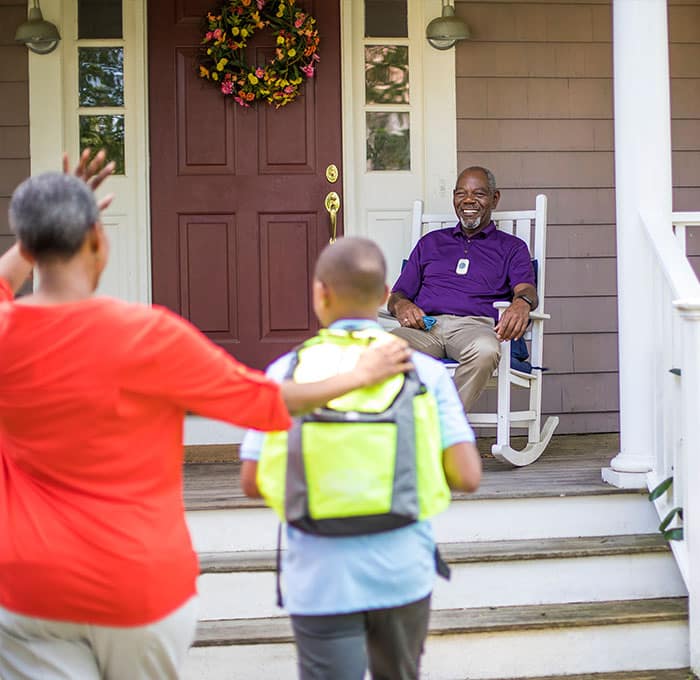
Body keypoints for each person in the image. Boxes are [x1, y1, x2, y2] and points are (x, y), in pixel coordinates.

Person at [0, 155, 413, 680]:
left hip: (28, 586)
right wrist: (359, 374)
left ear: (31, 249)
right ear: (99, 244)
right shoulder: (149, 336)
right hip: (138, 585)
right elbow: (265, 402)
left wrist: (43, 227)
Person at [240, 237, 482, 680]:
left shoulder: (286, 371)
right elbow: (467, 475)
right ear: (387, 295)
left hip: (317, 572)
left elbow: (252, 481)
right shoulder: (422, 371)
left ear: (320, 292)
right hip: (402, 567)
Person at [387, 166, 538, 412]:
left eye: (478, 194)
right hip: (426, 327)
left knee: (487, 350)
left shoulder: (511, 247)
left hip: (475, 329)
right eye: (461, 194)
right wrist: (402, 304)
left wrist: (522, 303)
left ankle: (443, 427)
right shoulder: (431, 243)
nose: (468, 200)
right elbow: (397, 296)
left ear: (494, 198)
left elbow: (526, 289)